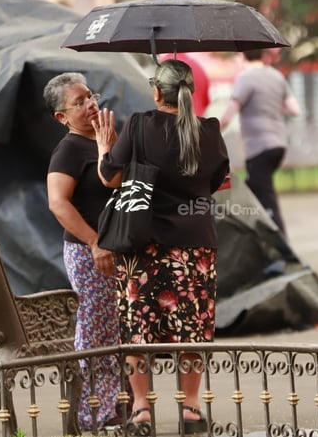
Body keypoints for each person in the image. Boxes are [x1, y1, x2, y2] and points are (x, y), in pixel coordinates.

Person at [92, 59, 229, 434]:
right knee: (192, 328)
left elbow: (109, 178)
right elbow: (218, 180)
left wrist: (105, 147)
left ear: (156, 92)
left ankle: (140, 410)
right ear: (190, 91)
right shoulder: (210, 131)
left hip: (144, 247)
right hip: (195, 246)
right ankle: (190, 410)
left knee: (139, 329)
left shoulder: (138, 125)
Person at [43, 72, 122, 431]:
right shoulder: (69, 150)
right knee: (94, 333)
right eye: (79, 102)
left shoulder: (104, 140)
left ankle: (117, 406)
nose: (90, 104)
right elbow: (58, 203)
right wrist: (95, 242)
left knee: (119, 331)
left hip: (119, 251)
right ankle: (89, 413)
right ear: (61, 117)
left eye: (90, 96)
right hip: (91, 252)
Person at [219, 48, 299, 233]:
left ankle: (280, 239)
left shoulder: (245, 78)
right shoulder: (276, 76)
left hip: (259, 148)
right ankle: (249, 233)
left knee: (265, 195)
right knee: (251, 190)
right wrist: (271, 107)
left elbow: (229, 114)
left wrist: (210, 133)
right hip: (278, 145)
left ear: (242, 55)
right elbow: (294, 109)